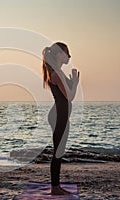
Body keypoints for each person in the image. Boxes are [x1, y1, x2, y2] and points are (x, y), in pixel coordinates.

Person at [42, 42, 80, 195]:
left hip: (61, 115)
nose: (69, 56)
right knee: (58, 152)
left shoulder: (59, 71)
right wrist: (75, 84)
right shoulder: (56, 74)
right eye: (66, 53)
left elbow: (68, 96)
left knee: (60, 151)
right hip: (58, 116)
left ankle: (56, 186)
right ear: (58, 55)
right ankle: (55, 188)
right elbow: (69, 97)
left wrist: (73, 82)